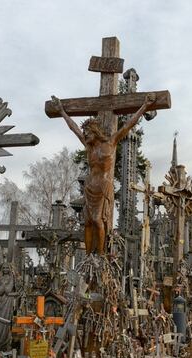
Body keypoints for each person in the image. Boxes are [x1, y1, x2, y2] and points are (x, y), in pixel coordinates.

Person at [51, 93, 156, 254]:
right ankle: (88, 255)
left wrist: (144, 106)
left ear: (95, 131)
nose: (85, 135)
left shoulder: (111, 142)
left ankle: (100, 256)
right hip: (90, 187)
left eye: (88, 131)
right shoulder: (89, 147)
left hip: (102, 187)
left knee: (97, 220)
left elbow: (128, 125)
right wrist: (62, 112)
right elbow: (73, 128)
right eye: (84, 132)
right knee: (87, 222)